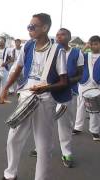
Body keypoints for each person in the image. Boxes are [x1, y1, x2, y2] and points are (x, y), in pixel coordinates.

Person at [0, 13, 70, 180]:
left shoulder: (57, 50)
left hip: (45, 100)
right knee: (13, 137)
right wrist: (6, 88)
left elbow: (64, 81)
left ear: (45, 28)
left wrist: (46, 87)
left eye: (33, 27)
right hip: (26, 96)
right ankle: (10, 174)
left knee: (43, 145)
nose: (29, 29)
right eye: (28, 27)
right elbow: (18, 68)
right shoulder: (28, 46)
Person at [29, 28, 84, 168]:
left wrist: (64, 83)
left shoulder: (77, 53)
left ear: (69, 37)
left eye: (63, 34)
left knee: (65, 125)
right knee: (44, 123)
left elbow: (80, 75)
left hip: (67, 93)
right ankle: (42, 148)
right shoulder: (51, 51)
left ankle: (66, 152)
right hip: (48, 93)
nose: (59, 36)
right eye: (58, 34)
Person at [73, 35, 100, 141]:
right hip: (84, 83)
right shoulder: (85, 55)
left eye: (96, 44)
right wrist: (86, 46)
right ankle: (78, 127)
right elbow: (76, 57)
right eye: (92, 44)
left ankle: (95, 131)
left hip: (97, 85)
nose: (94, 46)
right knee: (80, 105)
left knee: (95, 109)